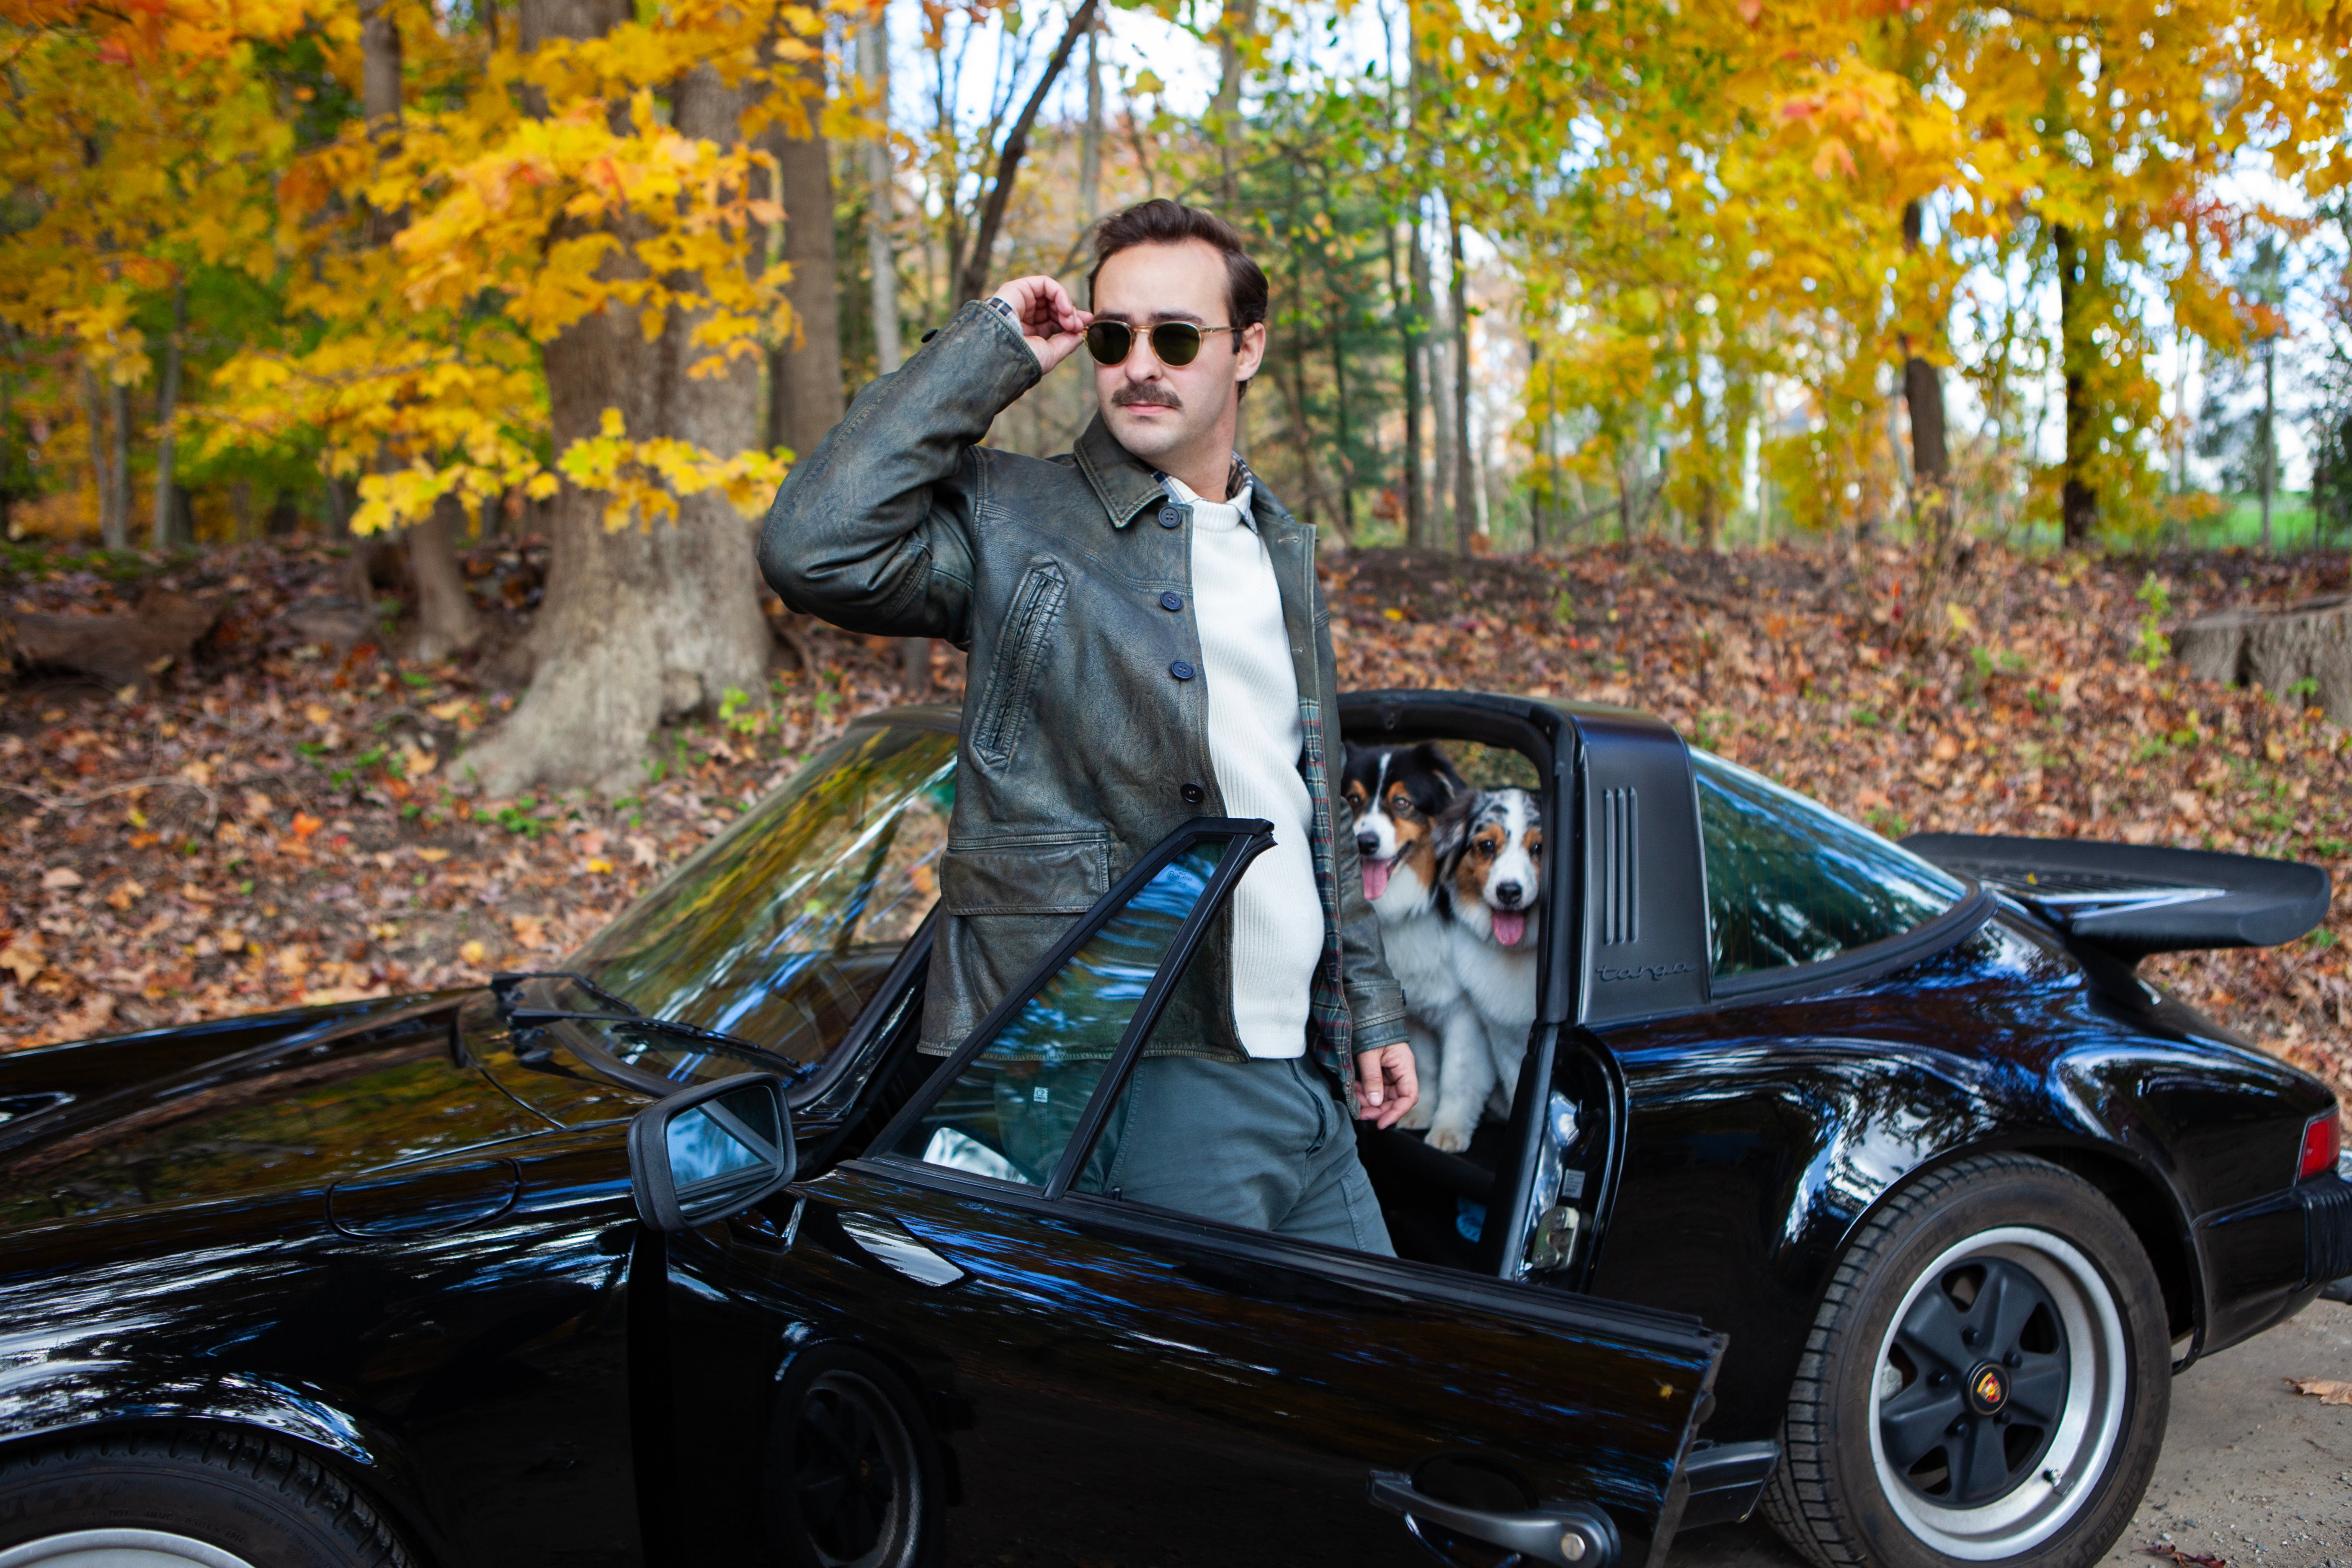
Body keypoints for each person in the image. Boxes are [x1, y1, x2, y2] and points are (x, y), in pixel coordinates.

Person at [759, 199, 1416, 1254]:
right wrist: (989, 346)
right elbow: (813, 548)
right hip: (1139, 1069)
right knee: (1192, 1414)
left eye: (1175, 336)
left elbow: (1308, 803)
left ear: (1246, 350)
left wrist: (1368, 1011)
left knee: (1382, 1394)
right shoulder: (1016, 519)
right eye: (1113, 337)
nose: (1138, 365)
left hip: (1298, 1073)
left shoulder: (1280, 548)